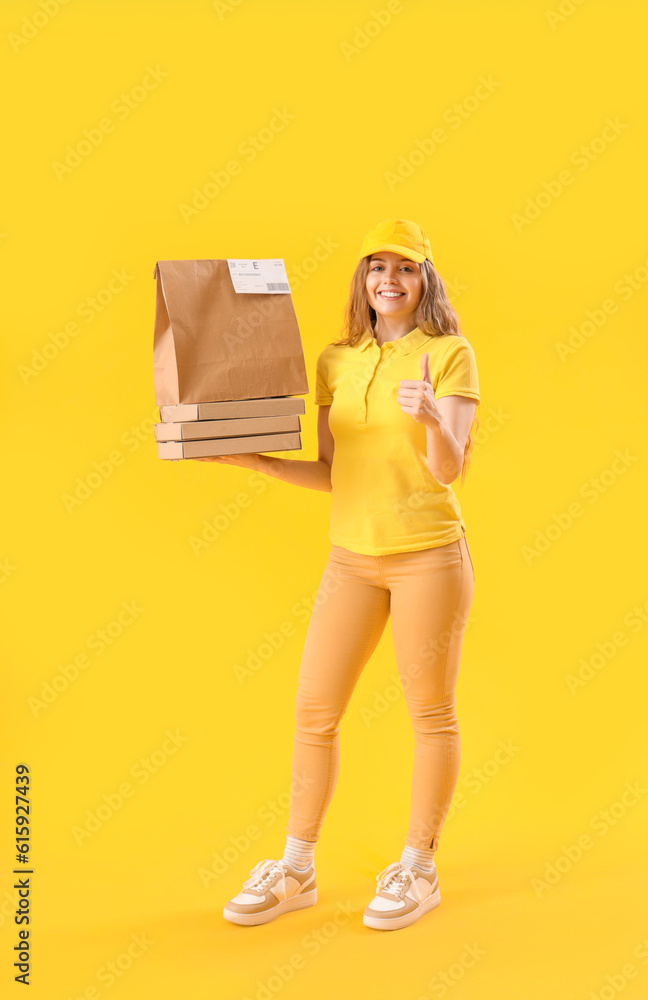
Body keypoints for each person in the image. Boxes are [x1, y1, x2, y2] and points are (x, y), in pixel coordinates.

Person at [197, 218, 480, 931]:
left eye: (405, 269)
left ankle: (417, 866)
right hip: (351, 557)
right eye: (375, 267)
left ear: (424, 282)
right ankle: (295, 868)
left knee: (430, 713)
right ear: (361, 280)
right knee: (313, 712)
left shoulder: (449, 354)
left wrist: (429, 422)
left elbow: (450, 470)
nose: (389, 279)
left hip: (427, 557)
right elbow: (332, 471)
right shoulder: (335, 361)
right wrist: (259, 464)